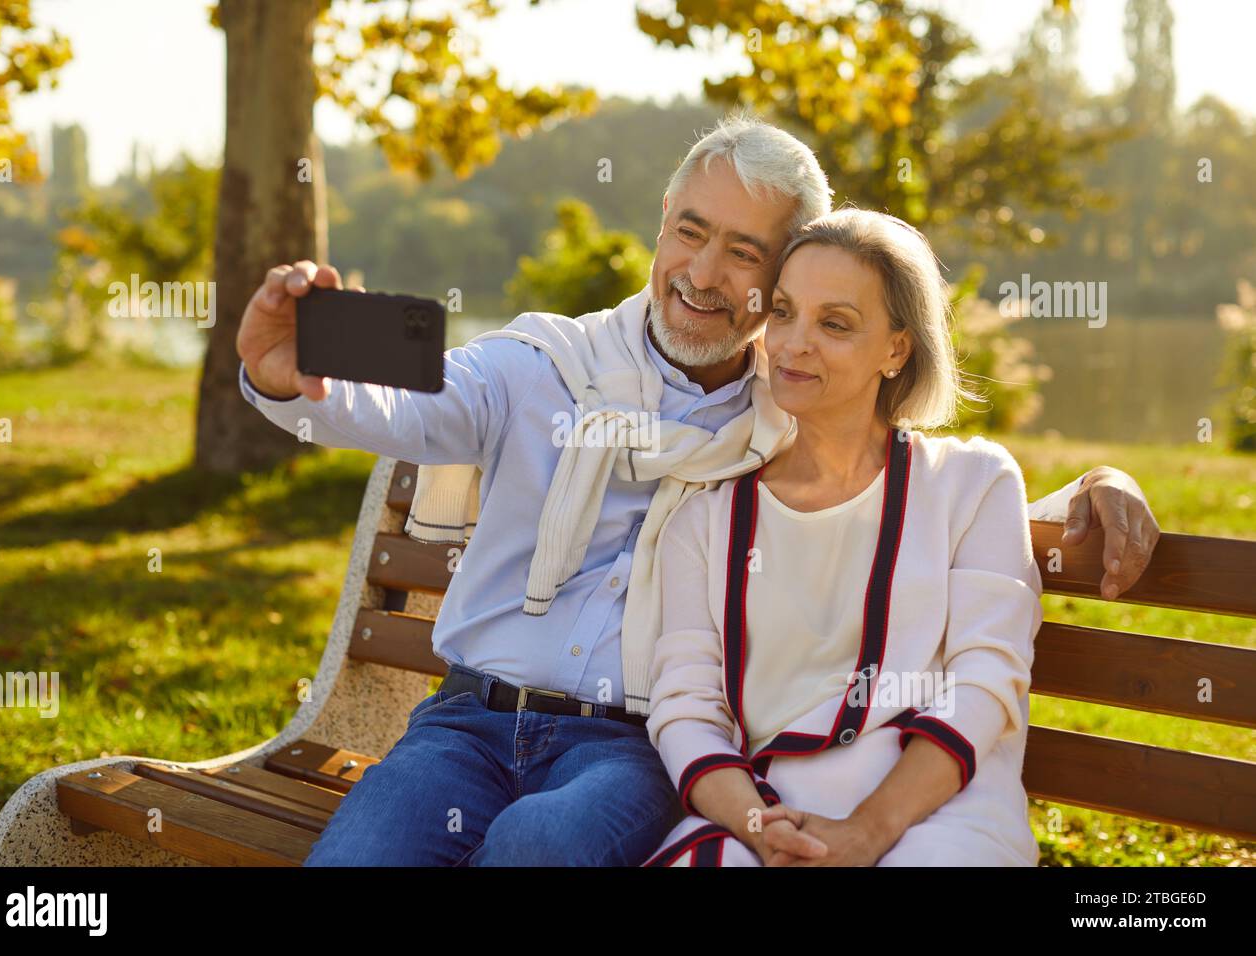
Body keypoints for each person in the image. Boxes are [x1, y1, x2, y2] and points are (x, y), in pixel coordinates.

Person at [235, 113, 1160, 866]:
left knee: (540, 846)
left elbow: (909, 498)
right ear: (663, 221)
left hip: (637, 744)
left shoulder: (790, 399)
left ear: (785, 275)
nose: (704, 275)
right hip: (468, 720)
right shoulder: (543, 361)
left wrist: (1094, 485)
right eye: (690, 231)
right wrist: (287, 373)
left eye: (746, 254)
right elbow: (402, 404)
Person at [645, 209, 1053, 867]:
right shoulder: (705, 521)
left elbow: (984, 682)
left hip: (940, 813)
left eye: (834, 324)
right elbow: (686, 711)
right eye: (782, 312)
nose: (794, 343)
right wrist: (762, 829)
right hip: (767, 810)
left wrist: (866, 832)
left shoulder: (972, 484)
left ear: (896, 349)